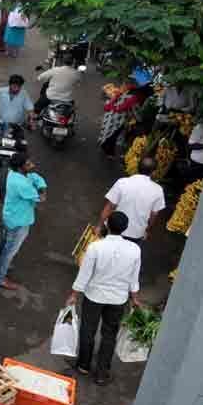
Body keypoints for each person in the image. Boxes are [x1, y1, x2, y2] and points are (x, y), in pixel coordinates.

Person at [66, 211, 141, 386]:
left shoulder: (96, 247)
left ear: (107, 225)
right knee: (109, 334)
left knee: (88, 330)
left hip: (94, 296)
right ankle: (102, 372)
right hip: (118, 299)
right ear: (126, 228)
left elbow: (84, 274)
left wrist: (74, 295)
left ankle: (84, 365)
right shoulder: (135, 250)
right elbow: (134, 278)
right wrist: (135, 298)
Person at [0, 153, 47, 290]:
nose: (32, 165)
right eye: (28, 164)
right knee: (10, 250)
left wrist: (37, 181)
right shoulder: (22, 184)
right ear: (21, 167)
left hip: (10, 217)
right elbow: (42, 197)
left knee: (5, 244)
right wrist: (41, 187)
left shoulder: (14, 173)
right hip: (19, 222)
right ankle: (0, 277)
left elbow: (33, 176)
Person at [96, 157, 165, 244]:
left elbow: (109, 207)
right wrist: (146, 230)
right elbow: (153, 215)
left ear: (137, 167)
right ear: (153, 172)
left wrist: (99, 226)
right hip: (136, 234)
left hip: (112, 230)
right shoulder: (158, 190)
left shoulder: (122, 182)